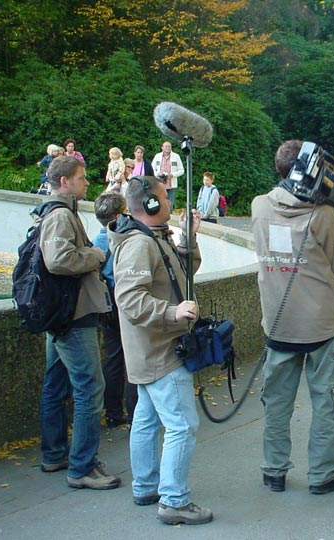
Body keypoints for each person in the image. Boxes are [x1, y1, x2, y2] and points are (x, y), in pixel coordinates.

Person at [250, 140, 334, 495]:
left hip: (278, 324)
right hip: (320, 327)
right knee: (324, 402)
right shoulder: (324, 215)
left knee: (277, 404)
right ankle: (322, 474)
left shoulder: (258, 206)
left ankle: (274, 471)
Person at [108, 176, 212, 525]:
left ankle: (146, 486)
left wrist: (189, 236)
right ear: (150, 204)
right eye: (165, 198)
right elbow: (129, 299)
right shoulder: (139, 244)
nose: (169, 202)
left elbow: (182, 274)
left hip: (152, 349)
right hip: (160, 350)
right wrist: (173, 312)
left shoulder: (155, 237)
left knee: (146, 419)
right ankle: (174, 500)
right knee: (182, 425)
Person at [36, 155, 119, 490]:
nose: (87, 182)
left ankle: (55, 453)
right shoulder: (59, 215)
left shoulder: (52, 212)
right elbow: (58, 260)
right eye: (82, 178)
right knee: (88, 388)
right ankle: (82, 466)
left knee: (55, 384)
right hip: (74, 314)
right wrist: (97, 256)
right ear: (65, 181)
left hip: (60, 313)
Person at [92, 192, 138, 428]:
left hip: (105, 303)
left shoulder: (95, 242)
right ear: (119, 215)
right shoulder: (124, 240)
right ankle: (133, 410)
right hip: (122, 300)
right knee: (132, 355)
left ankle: (112, 411)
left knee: (112, 357)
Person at [152, 141, 184, 208]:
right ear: (162, 148)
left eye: (169, 146)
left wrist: (173, 175)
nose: (168, 148)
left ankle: (168, 216)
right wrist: (158, 174)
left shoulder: (176, 156)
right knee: (159, 203)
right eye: (166, 146)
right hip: (160, 184)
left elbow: (182, 170)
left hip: (171, 185)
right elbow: (152, 168)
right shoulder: (157, 156)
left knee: (170, 204)